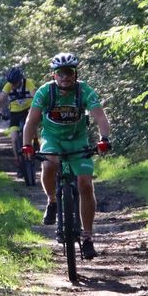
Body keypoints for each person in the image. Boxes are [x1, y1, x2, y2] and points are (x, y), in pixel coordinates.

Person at [21, 53, 111, 259]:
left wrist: (104, 138)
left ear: (75, 74)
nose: (65, 77)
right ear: (54, 75)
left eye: (69, 72)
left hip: (78, 140)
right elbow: (31, 121)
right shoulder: (45, 92)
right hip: (53, 139)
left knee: (86, 185)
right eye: (61, 73)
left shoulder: (84, 90)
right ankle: (52, 200)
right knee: (50, 164)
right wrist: (27, 145)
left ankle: (87, 237)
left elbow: (100, 117)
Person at [0, 66, 36, 168]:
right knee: (14, 138)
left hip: (28, 109)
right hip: (15, 113)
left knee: (33, 123)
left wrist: (37, 107)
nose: (12, 85)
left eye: (14, 83)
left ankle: (35, 140)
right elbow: (1, 99)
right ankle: (17, 159)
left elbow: (35, 95)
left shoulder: (28, 82)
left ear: (20, 80)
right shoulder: (8, 85)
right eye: (11, 83)